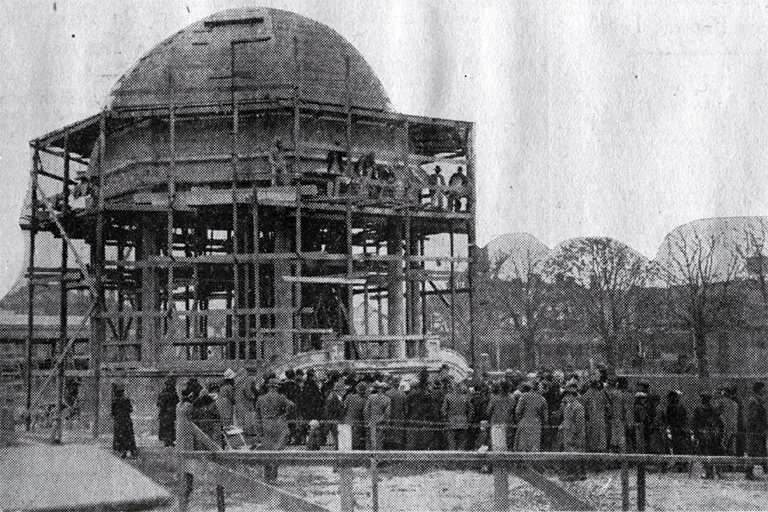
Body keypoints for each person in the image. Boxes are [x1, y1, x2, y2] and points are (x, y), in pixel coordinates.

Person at [255, 379, 295, 482]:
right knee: (276, 451)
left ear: (268, 387)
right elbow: (292, 405)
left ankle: (267, 476)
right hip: (277, 425)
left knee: (267, 451)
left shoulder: (260, 399)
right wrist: (284, 414)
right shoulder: (280, 397)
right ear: (276, 387)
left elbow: (257, 417)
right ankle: (274, 476)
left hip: (265, 426)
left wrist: (259, 432)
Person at [692, 392, 723, 479]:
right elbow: (719, 422)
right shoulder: (713, 409)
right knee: (712, 452)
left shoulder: (698, 409)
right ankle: (715, 472)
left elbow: (695, 423)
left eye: (703, 398)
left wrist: (695, 434)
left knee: (705, 453)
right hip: (712, 433)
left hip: (703, 433)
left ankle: (708, 472)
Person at [559, 389, 586, 481]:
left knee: (577, 454)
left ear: (573, 396)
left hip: (575, 434)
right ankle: (571, 474)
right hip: (568, 433)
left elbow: (579, 422)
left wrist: (576, 434)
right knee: (569, 455)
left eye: (569, 395)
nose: (566, 398)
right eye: (566, 396)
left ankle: (579, 474)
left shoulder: (578, 407)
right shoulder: (567, 406)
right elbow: (566, 419)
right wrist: (562, 425)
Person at [514, 382, 548, 452]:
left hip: (525, 422)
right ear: (539, 388)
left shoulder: (524, 396)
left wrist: (519, 419)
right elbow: (546, 417)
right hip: (536, 423)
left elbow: (517, 411)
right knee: (534, 448)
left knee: (522, 446)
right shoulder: (542, 399)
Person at [746, 382, 768, 480]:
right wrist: (756, 429)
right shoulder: (753, 400)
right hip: (755, 430)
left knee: (762, 450)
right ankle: (749, 473)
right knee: (752, 451)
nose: (764, 391)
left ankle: (765, 470)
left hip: (760, 430)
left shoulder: (758, 400)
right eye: (762, 389)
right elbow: (752, 418)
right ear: (758, 390)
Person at [442, 381, 472, 451]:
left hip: (452, 421)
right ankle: (461, 456)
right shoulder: (465, 397)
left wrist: (445, 418)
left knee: (452, 442)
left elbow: (443, 409)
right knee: (462, 442)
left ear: (453, 387)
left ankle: (452, 456)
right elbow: (471, 409)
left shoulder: (448, 396)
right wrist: (468, 419)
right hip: (463, 421)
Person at [486, 381, 515, 451]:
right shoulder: (512, 398)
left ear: (501, 388)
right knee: (505, 444)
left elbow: (488, 411)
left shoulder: (495, 398)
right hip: (507, 422)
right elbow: (512, 409)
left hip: (496, 422)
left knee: (496, 445)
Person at [582, 379, 608, 454]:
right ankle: (596, 449)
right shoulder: (592, 393)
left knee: (597, 432)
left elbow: (606, 404)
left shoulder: (600, 393)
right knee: (595, 432)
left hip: (597, 417)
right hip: (595, 417)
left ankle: (598, 449)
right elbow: (583, 404)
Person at [111, 385, 138, 459]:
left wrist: (116, 415)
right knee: (129, 435)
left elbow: (112, 412)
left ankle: (123, 451)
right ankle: (132, 451)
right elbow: (130, 409)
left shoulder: (115, 400)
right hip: (126, 420)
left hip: (119, 420)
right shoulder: (126, 400)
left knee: (120, 436)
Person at [364, 382, 391, 450]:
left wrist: (366, 421)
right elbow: (387, 413)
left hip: (371, 421)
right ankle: (377, 457)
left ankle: (370, 457)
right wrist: (386, 423)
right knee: (379, 440)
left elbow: (365, 410)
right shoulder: (387, 399)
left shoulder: (371, 397)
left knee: (370, 440)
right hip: (380, 422)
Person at [384, 376, 408, 450]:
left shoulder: (387, 393)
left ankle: (389, 450)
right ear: (398, 384)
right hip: (399, 417)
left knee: (389, 435)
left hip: (389, 417)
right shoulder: (403, 394)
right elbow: (405, 409)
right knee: (398, 435)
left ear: (392, 383)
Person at [344, 382, 368, 450]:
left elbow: (344, 407)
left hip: (347, 421)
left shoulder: (349, 397)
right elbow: (365, 413)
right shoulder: (365, 400)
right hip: (358, 423)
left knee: (347, 442)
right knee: (357, 443)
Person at [157, 377, 179, 447]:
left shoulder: (167, 393)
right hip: (167, 413)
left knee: (169, 427)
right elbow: (160, 404)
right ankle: (168, 441)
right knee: (167, 427)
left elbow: (159, 404)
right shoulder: (168, 393)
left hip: (168, 413)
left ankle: (169, 441)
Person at [175, 386, 196, 451]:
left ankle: (179, 451)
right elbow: (189, 416)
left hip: (179, 422)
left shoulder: (178, 404)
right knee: (187, 437)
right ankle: (187, 452)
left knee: (179, 437)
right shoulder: (188, 405)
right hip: (186, 423)